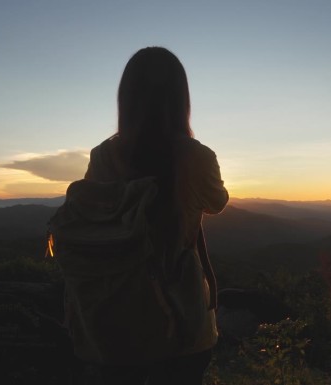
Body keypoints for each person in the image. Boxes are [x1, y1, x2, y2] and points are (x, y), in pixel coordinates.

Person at [82, 46, 228, 385]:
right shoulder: (197, 157)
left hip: (116, 316)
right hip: (182, 319)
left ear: (125, 99)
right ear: (181, 100)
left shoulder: (102, 156)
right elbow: (217, 202)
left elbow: (93, 215)